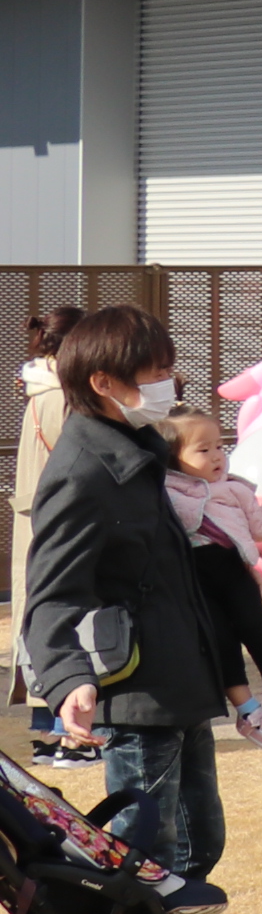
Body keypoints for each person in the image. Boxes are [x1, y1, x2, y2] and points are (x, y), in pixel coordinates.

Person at [23, 307, 241, 884]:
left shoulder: (139, 446)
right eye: (158, 372)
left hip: (182, 683)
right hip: (139, 695)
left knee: (198, 849)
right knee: (147, 862)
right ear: (104, 383)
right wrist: (68, 679)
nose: (172, 383)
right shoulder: (85, 470)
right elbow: (49, 593)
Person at [159, 409, 262, 724]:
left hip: (233, 569)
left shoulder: (234, 489)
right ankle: (246, 709)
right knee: (219, 640)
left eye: (220, 447)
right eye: (203, 449)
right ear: (172, 457)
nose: (216, 456)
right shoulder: (164, 490)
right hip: (193, 576)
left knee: (255, 625)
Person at [13, 309, 81, 759]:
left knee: (35, 620)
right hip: (62, 518)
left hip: (31, 518)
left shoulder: (37, 389)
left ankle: (45, 732)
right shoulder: (68, 396)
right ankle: (68, 732)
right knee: (67, 619)